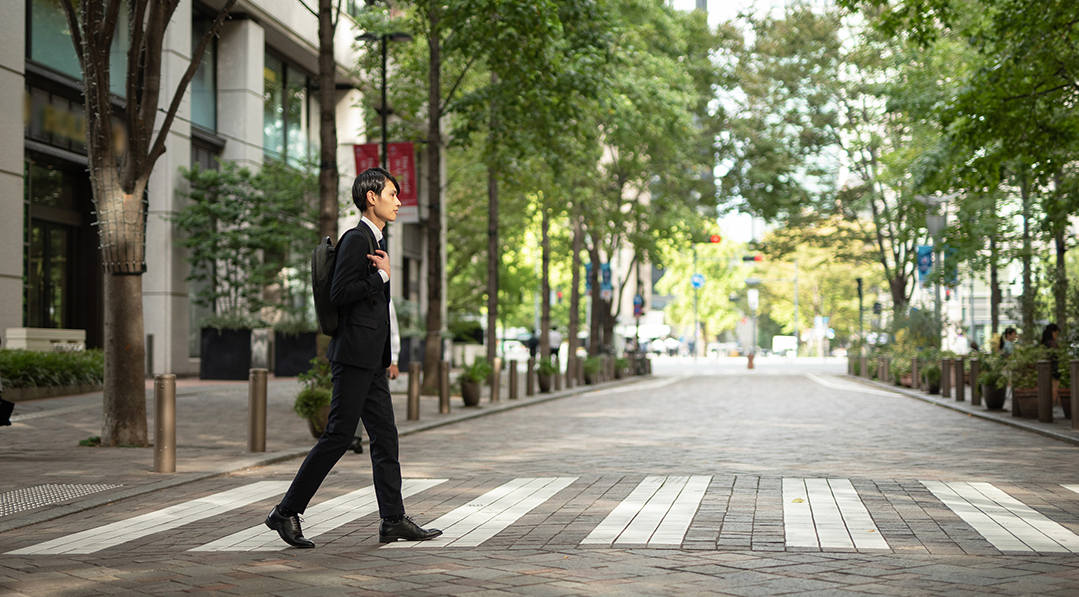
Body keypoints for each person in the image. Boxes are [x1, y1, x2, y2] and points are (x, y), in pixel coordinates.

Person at [265, 167, 441, 548]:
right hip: (353, 357)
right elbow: (339, 293)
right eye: (392, 194)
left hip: (371, 360)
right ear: (371, 197)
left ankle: (392, 519)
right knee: (338, 437)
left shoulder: (373, 241)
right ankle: (285, 512)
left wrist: (387, 353)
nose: (398, 201)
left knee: (385, 437)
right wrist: (380, 278)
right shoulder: (355, 239)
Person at [349, 298, 400, 455]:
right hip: (354, 357)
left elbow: (393, 330)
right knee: (353, 400)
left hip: (379, 361)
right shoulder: (354, 291)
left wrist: (394, 359)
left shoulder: (384, 296)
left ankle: (358, 437)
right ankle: (354, 437)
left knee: (381, 414)